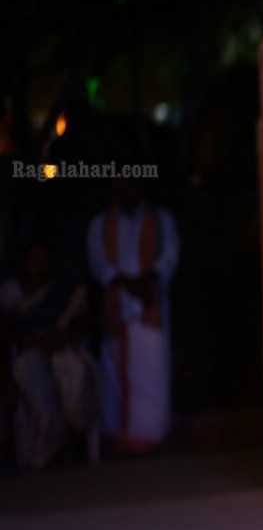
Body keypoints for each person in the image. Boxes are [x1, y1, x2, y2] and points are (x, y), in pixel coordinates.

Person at [87, 177, 179, 452]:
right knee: (114, 378)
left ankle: (151, 439)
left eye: (128, 182)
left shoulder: (161, 220)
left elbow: (169, 259)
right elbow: (99, 263)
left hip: (149, 311)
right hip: (117, 309)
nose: (124, 188)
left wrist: (145, 282)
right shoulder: (100, 224)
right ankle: (117, 439)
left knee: (152, 377)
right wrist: (128, 283)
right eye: (118, 183)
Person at [0, 241, 98, 468]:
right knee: (33, 369)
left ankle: (73, 430)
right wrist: (33, 341)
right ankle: (47, 447)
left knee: (72, 369)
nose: (39, 266)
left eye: (44, 261)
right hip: (31, 349)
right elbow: (7, 330)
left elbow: (84, 325)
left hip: (61, 347)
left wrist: (60, 342)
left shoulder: (64, 290)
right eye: (34, 261)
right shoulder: (13, 291)